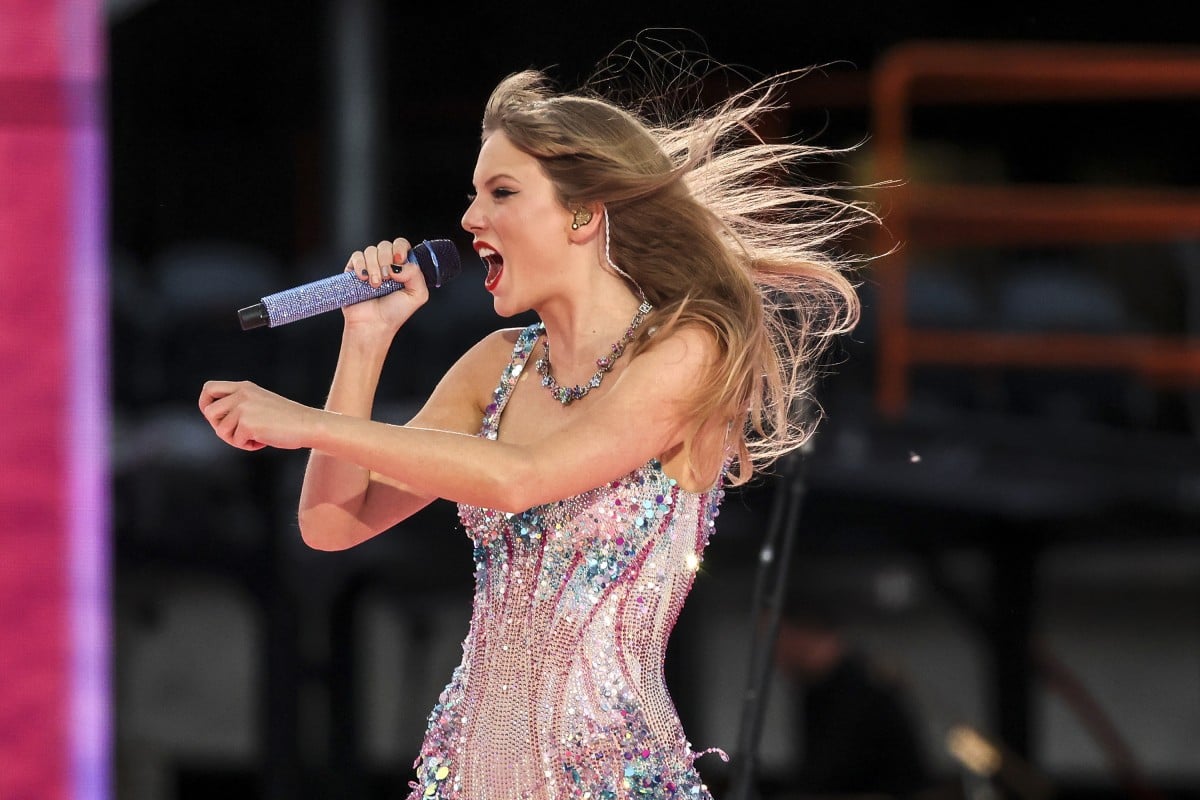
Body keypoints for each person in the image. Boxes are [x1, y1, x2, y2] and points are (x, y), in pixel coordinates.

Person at [199, 64, 866, 800]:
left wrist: (302, 423)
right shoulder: (496, 366)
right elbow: (331, 523)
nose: (470, 221)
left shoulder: (684, 349)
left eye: (502, 194)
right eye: (473, 196)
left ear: (583, 215)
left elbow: (522, 478)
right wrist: (365, 339)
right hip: (469, 775)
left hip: (613, 780)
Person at [775, 601, 931, 798]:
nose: (773, 652)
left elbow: (833, 772)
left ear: (800, 635)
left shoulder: (863, 688)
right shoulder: (816, 690)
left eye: (776, 638)